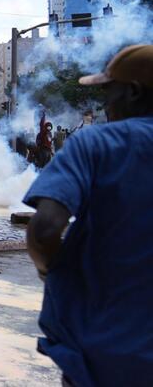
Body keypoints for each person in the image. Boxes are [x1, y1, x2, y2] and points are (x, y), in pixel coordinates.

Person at [23, 44, 153, 386]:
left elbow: (44, 230)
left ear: (135, 92)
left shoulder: (96, 144)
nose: (105, 105)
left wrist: (51, 271)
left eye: (109, 93)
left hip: (106, 358)